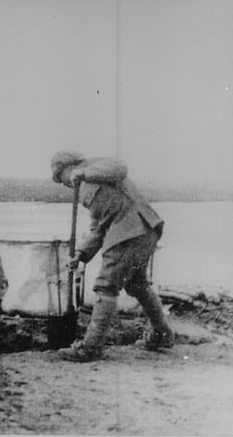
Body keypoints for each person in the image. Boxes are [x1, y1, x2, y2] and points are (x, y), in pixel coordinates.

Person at [50, 150, 174, 362]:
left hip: (131, 232)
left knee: (106, 286)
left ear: (68, 168)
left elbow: (120, 167)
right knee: (136, 284)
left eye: (60, 178)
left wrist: (83, 173)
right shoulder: (86, 185)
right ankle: (162, 334)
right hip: (140, 232)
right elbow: (99, 228)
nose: (65, 185)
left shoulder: (94, 169)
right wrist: (80, 254)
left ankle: (90, 348)